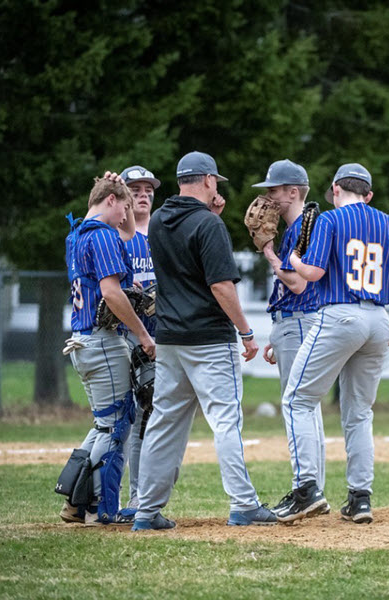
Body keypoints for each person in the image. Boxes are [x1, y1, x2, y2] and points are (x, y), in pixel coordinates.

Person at [275, 163, 389, 524]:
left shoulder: (329, 220)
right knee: (359, 412)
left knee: (297, 399)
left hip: (340, 314)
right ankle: (360, 498)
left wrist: (292, 257)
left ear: (334, 189)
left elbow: (312, 273)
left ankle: (306, 491)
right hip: (378, 319)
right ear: (369, 195)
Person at [131, 151, 275, 531]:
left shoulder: (160, 220)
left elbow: (185, 257)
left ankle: (145, 512)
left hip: (171, 339)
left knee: (165, 423)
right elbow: (219, 284)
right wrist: (246, 331)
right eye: (216, 182)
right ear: (209, 180)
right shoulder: (209, 226)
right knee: (226, 421)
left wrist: (211, 217)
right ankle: (244, 504)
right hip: (210, 338)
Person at [60, 171, 156, 526]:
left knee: (104, 424)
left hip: (82, 341)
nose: (125, 217)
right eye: (123, 206)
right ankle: (100, 508)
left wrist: (112, 193)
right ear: (112, 201)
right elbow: (113, 293)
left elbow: (128, 231)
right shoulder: (101, 236)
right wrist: (144, 335)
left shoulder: (78, 233)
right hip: (101, 341)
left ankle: (74, 500)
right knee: (118, 424)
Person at [252, 159, 329, 513]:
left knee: (298, 405)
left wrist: (268, 253)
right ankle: (314, 490)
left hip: (300, 319)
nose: (267, 200)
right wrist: (276, 331)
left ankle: (306, 490)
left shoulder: (303, 228)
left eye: (274, 191)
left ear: (293, 192)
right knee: (307, 406)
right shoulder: (299, 228)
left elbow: (297, 283)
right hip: (293, 321)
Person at [115, 164, 162, 518]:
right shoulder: (114, 234)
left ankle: (140, 496)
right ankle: (122, 496)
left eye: (148, 189)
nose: (143, 194)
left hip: (160, 337)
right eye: (136, 188)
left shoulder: (161, 232)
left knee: (150, 414)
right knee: (126, 417)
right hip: (126, 335)